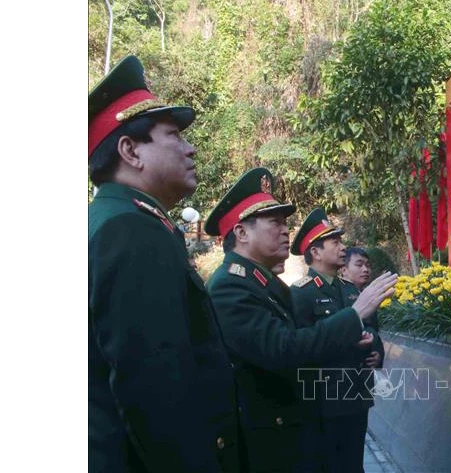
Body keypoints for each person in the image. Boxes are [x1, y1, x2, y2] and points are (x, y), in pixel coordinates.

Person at [88, 55, 242, 472]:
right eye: (173, 135)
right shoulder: (131, 232)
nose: (190, 147)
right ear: (129, 150)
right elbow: (156, 393)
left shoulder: (115, 221)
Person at [204, 169, 396, 472]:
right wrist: (355, 314)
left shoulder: (263, 282)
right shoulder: (230, 286)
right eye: (275, 223)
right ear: (241, 233)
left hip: (312, 417)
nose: (285, 231)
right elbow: (284, 349)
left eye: (285, 223)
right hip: (270, 438)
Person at [290, 209, 384, 473]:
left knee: (353, 464)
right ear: (316, 252)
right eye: (336, 243)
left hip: (357, 394)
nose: (343, 248)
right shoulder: (300, 294)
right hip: (324, 400)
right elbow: (302, 345)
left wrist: (375, 347)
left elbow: (373, 328)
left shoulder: (351, 290)